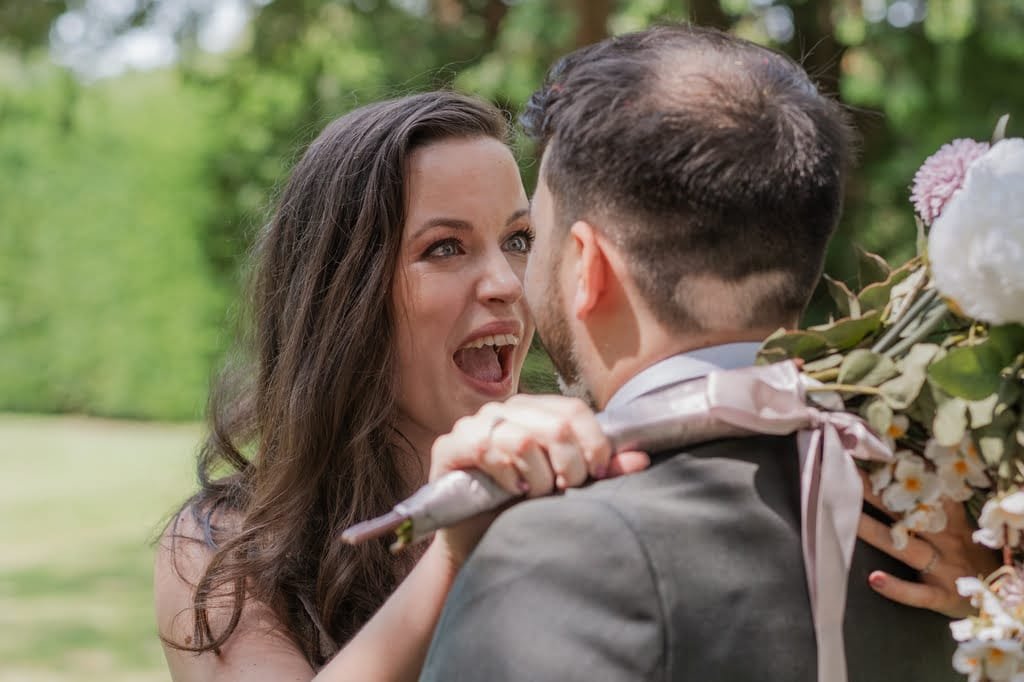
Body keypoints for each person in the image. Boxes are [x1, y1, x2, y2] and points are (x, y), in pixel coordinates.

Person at [420, 25, 974, 682]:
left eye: (532, 237)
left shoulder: (562, 557)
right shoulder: (953, 523)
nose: (514, 280)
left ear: (588, 265)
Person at [153, 91, 646, 682]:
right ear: (344, 297)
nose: (506, 284)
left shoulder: (589, 482)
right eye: (444, 248)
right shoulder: (226, 547)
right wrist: (453, 554)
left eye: (519, 240)